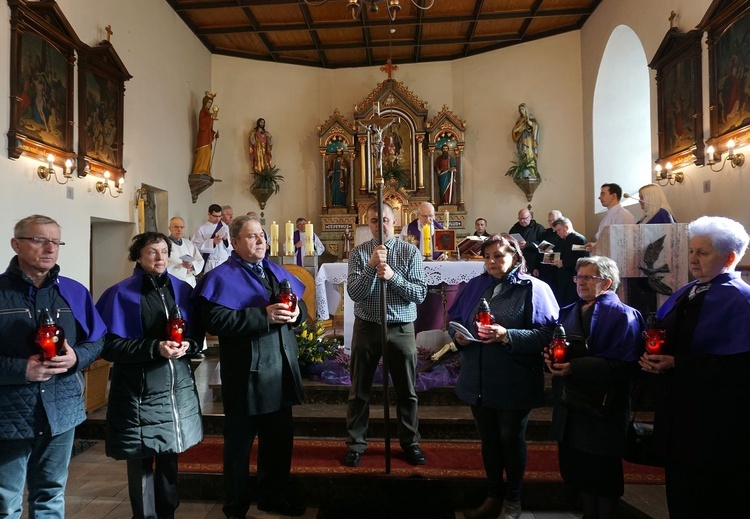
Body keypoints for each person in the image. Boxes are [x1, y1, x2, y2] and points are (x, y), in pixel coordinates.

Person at [193, 215, 307, 518]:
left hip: (279, 370)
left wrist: (297, 314)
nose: (261, 241)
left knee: (279, 441)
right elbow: (215, 321)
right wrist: (263, 317)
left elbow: (300, 306)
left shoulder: (273, 269)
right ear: (234, 242)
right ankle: (236, 505)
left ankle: (273, 497)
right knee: (239, 447)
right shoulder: (220, 277)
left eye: (262, 236)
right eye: (253, 236)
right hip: (247, 374)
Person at [639, 216, 750, 518]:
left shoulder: (741, 300)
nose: (693, 259)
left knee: (710, 495)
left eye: (703, 253)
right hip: (679, 411)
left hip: (714, 419)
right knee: (679, 490)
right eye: (691, 251)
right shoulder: (687, 292)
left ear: (729, 257)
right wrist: (652, 357)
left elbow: (741, 364)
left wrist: (679, 363)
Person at [0, 215, 106, 519]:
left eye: (56, 242)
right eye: (39, 240)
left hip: (61, 409)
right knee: (5, 501)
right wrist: (20, 369)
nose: (49, 248)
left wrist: (76, 359)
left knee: (51, 494)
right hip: (9, 413)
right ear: (16, 244)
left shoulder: (73, 291)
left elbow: (98, 341)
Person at [448, 233, 558, 519]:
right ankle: (493, 495)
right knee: (489, 442)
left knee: (511, 440)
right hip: (477, 377)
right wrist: (458, 337)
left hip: (513, 378)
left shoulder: (534, 288)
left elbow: (548, 333)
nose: (492, 262)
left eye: (498, 255)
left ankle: (514, 499)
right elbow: (456, 320)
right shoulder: (476, 285)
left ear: (515, 257)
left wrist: (507, 335)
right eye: (487, 257)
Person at [95, 232, 203, 519]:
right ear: (138, 256)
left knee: (170, 454)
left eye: (164, 251)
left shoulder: (182, 289)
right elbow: (109, 346)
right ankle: (144, 516)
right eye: (152, 252)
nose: (160, 257)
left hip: (174, 387)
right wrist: (155, 348)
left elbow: (196, 335)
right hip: (138, 389)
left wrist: (188, 346)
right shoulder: (120, 293)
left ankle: (167, 513)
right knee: (141, 457)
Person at [544, 256, 643, 519]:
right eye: (579, 277)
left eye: (589, 277)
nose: (581, 282)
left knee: (602, 471)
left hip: (603, 408)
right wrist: (551, 360)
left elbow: (628, 366)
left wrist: (576, 367)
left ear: (607, 282)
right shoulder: (568, 311)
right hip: (570, 404)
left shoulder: (624, 315)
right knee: (579, 469)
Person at [343, 202, 428, 468]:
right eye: (373, 220)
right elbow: (355, 294)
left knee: (406, 390)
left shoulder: (409, 252)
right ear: (367, 223)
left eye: (385, 220)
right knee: (359, 389)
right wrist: (371, 267)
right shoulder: (358, 253)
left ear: (396, 221)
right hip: (367, 326)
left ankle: (410, 442)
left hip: (401, 328)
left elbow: (419, 294)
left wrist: (392, 276)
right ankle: (356, 443)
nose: (379, 225)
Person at [586, 183, 636, 253]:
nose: (599, 197)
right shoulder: (607, 217)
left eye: (603, 194)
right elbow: (605, 241)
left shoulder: (624, 216)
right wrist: (594, 245)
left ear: (613, 196)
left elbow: (625, 243)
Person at [550, 217, 587, 307]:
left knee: (571, 302)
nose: (558, 233)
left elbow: (581, 259)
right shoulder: (563, 240)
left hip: (572, 277)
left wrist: (564, 263)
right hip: (563, 276)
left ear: (566, 227)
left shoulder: (579, 239)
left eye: (559, 230)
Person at [191, 203, 232, 274]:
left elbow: (229, 247)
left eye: (220, 216)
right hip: (210, 263)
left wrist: (225, 240)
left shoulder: (224, 226)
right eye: (215, 216)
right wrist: (213, 242)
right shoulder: (201, 228)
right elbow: (195, 246)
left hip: (223, 261)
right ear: (209, 214)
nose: (218, 219)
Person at [166, 216, 204, 287]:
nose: (179, 230)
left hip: (190, 281)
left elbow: (199, 260)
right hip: (173, 281)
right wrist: (184, 270)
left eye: (182, 227)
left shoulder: (189, 244)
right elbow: (163, 265)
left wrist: (192, 266)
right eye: (176, 227)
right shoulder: (165, 244)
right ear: (170, 228)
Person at [508, 208, 546, 274]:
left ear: (530, 217)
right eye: (520, 219)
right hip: (518, 261)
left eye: (524, 218)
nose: (522, 221)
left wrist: (528, 244)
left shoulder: (539, 228)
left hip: (534, 262)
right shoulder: (514, 228)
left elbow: (545, 246)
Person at [191, 92, 219, 176]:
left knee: (207, 154)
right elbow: (202, 125)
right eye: (209, 102)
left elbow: (209, 129)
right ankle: (199, 170)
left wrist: (214, 135)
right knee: (202, 154)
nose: (210, 104)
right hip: (203, 138)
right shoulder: (203, 112)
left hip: (208, 138)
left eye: (211, 103)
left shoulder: (207, 113)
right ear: (205, 102)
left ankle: (205, 171)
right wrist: (210, 116)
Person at [536, 210, 563, 286]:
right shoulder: (544, 234)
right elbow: (538, 252)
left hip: (558, 268)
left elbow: (565, 250)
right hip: (545, 269)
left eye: (553, 220)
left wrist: (553, 251)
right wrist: (536, 267)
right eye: (549, 220)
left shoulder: (564, 234)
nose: (551, 222)